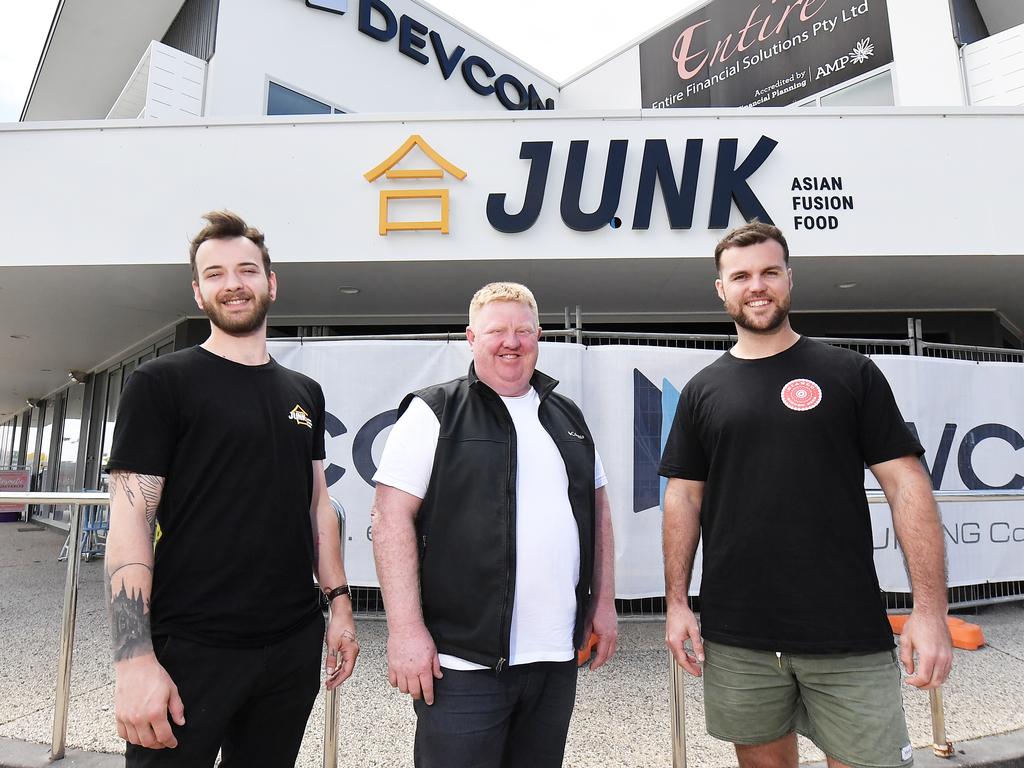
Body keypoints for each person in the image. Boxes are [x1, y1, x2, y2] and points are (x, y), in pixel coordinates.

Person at [660, 221, 953, 768]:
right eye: (741, 275)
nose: (757, 285)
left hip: (846, 632)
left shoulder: (850, 374)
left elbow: (906, 485)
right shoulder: (702, 390)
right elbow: (683, 498)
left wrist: (930, 611)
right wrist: (677, 605)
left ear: (789, 279)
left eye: (770, 272)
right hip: (738, 636)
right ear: (721, 289)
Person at [104, 210, 359, 767]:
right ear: (199, 293)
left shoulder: (304, 392)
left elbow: (318, 506)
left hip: (290, 646)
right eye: (215, 274)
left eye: (246, 269)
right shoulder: (160, 384)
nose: (233, 284)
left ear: (271, 282)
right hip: (191, 647)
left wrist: (338, 605)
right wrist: (132, 660)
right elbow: (130, 519)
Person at [371, 281, 617, 768]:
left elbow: (598, 511)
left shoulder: (567, 417)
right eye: (497, 330)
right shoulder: (434, 410)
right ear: (470, 337)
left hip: (553, 660)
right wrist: (404, 631)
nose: (512, 342)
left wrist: (603, 602)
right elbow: (389, 516)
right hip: (462, 664)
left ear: (539, 336)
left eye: (523, 330)